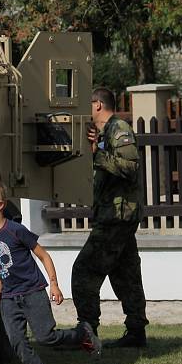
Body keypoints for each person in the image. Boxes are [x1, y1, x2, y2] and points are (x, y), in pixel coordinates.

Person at [0, 179, 100, 364]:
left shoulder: (15, 231)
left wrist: (54, 284)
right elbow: (2, 266)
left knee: (45, 337)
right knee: (17, 343)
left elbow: (43, 255)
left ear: (0, 204)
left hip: (33, 291)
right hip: (9, 298)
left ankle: (82, 333)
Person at [73, 88, 148, 348]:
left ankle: (86, 332)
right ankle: (136, 332)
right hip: (114, 213)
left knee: (83, 271)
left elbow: (130, 167)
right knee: (126, 273)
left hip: (118, 215)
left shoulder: (120, 129)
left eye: (87, 104)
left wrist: (97, 154)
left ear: (97, 105)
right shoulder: (106, 132)